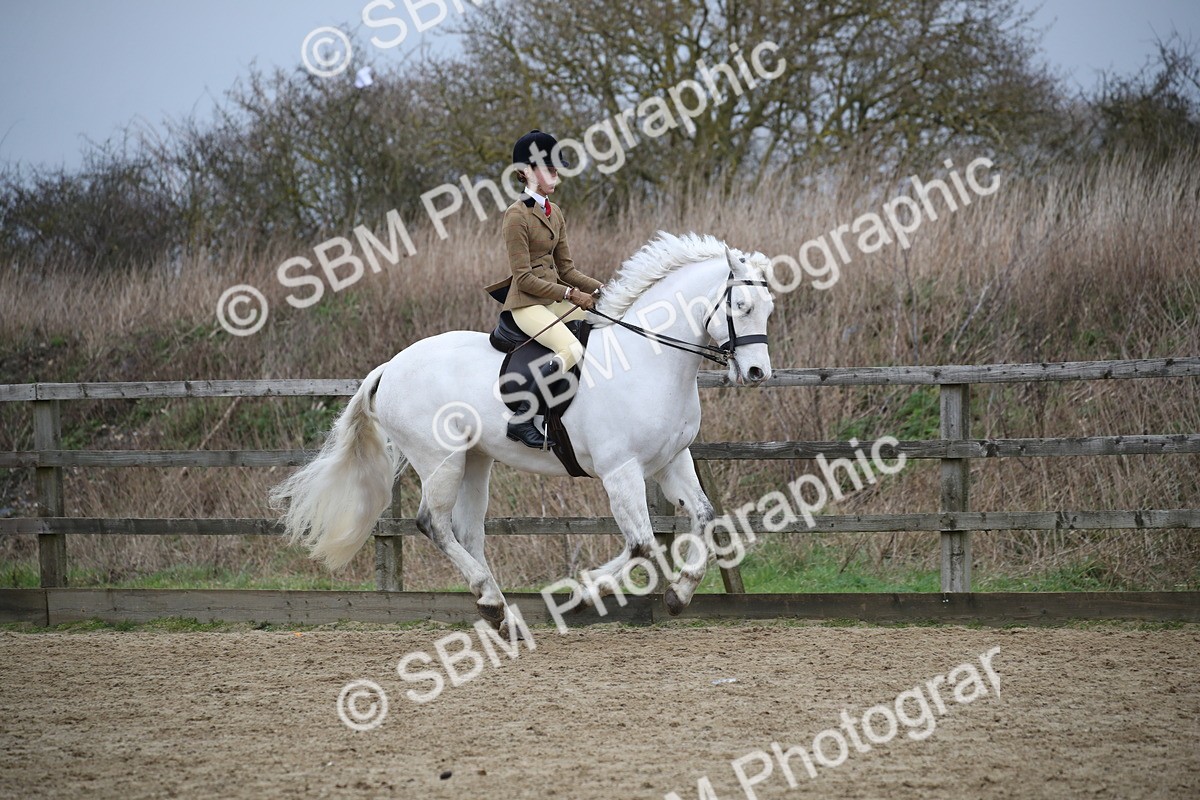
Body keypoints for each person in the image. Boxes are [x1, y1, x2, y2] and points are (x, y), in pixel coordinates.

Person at [488, 129, 604, 449]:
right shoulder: (516, 216)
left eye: (556, 168)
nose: (556, 174)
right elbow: (523, 278)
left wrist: (604, 289)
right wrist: (570, 295)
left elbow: (566, 269)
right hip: (527, 303)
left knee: (603, 319)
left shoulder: (556, 212)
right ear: (526, 172)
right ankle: (524, 417)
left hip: (551, 299)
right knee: (571, 349)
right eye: (549, 168)